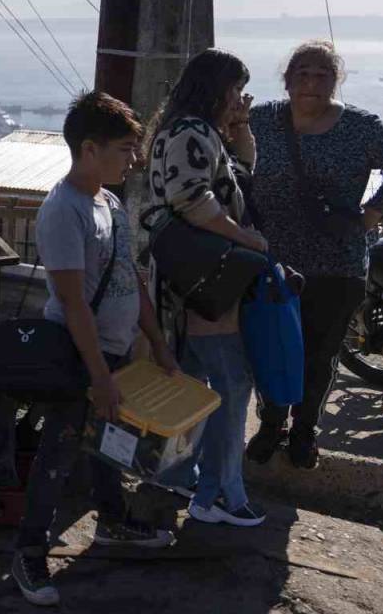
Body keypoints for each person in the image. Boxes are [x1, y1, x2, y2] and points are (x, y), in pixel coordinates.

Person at [11, 91, 179, 607]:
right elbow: (72, 302)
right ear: (89, 149)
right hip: (79, 355)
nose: (133, 160)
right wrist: (99, 377)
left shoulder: (109, 203)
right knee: (58, 453)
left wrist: (157, 343)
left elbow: (131, 278)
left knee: (108, 443)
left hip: (114, 353)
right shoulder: (64, 211)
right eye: (124, 149)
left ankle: (112, 521)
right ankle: (29, 552)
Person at [246, 40, 383, 469]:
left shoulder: (359, 127)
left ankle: (304, 431)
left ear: (336, 81)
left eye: (322, 74)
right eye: (302, 73)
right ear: (287, 80)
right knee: (271, 348)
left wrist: (373, 214)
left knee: (319, 356)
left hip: (336, 263)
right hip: (272, 261)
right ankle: (272, 425)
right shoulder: (261, 119)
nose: (311, 82)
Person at [145, 49, 269, 527]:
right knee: (232, 385)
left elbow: (242, 176)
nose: (239, 98)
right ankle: (220, 493)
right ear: (215, 88)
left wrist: (240, 127)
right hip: (203, 283)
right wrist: (247, 239)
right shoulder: (192, 132)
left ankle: (179, 475)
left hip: (186, 282)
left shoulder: (195, 131)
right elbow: (193, 200)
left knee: (194, 382)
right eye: (235, 89)